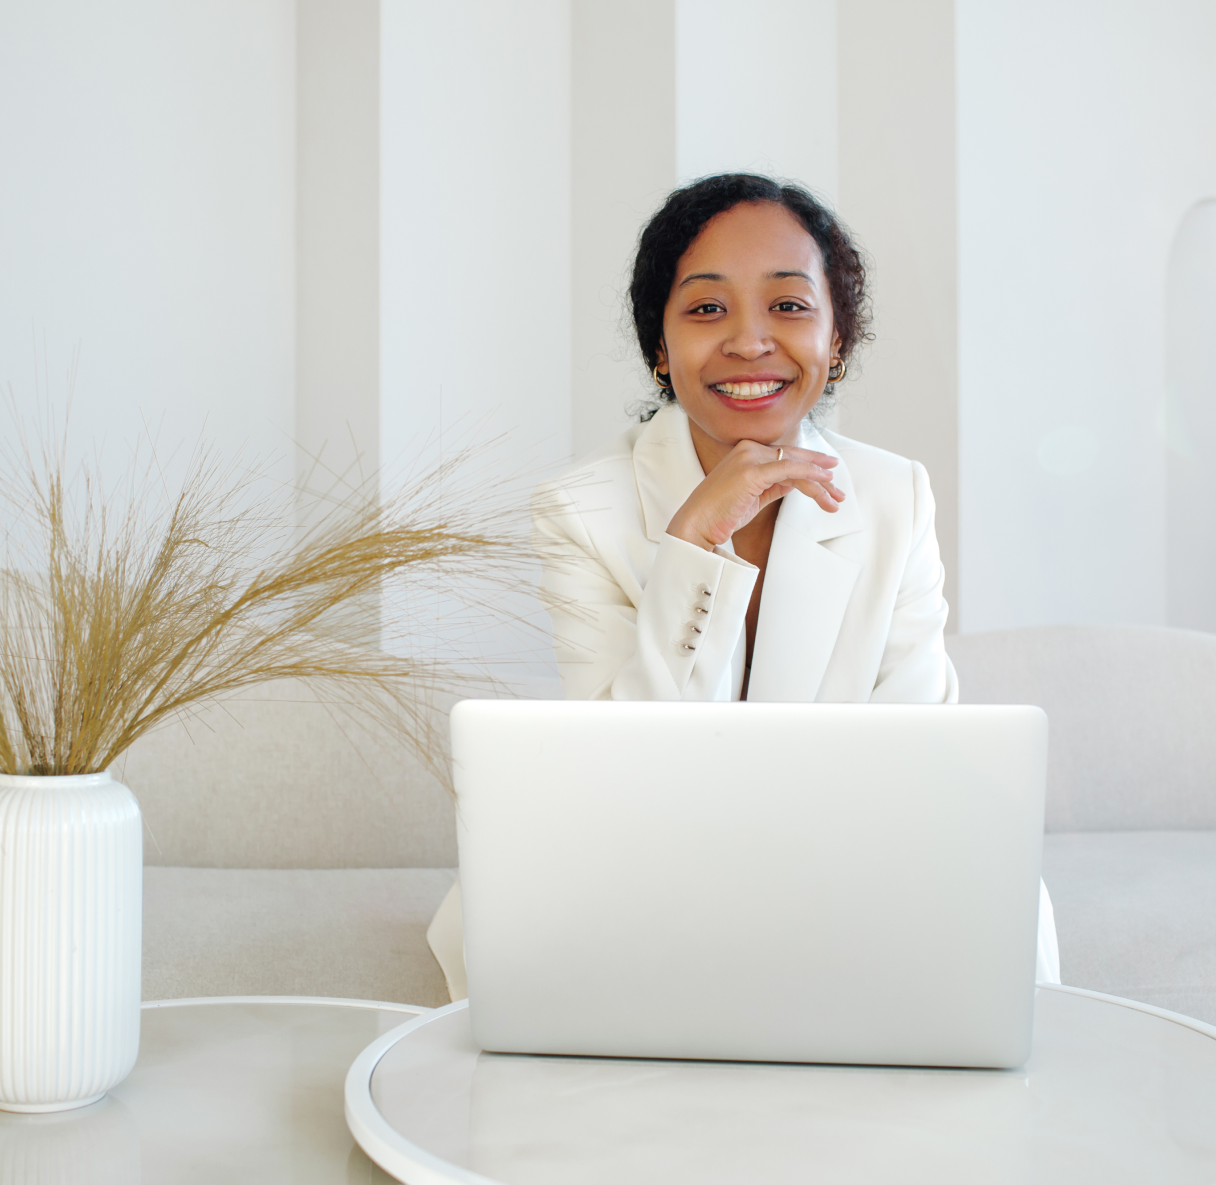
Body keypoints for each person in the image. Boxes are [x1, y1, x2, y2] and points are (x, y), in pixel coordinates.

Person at [427, 173, 1059, 997]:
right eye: (706, 309)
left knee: (1005, 880)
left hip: (841, 861)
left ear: (837, 341)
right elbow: (621, 777)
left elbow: (918, 761)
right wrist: (695, 541)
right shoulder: (580, 508)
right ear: (660, 347)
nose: (751, 341)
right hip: (640, 866)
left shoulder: (894, 496)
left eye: (790, 307)